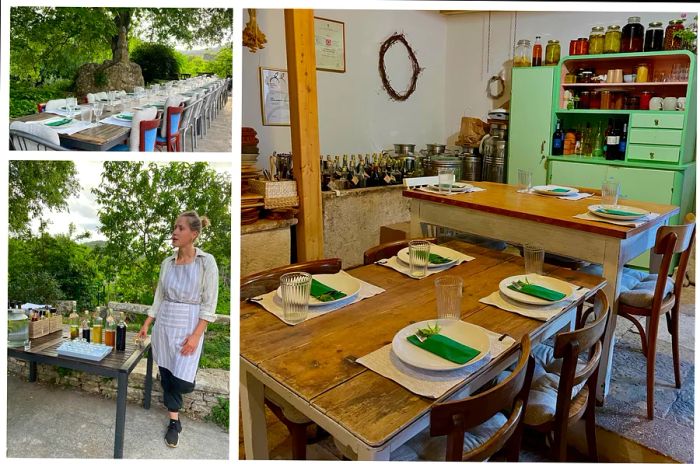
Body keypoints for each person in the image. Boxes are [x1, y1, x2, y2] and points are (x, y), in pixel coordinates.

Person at [138, 211, 218, 448]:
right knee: (167, 372)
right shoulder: (167, 263)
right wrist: (146, 324)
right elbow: (159, 297)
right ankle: (174, 422)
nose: (174, 232)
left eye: (180, 228)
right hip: (164, 323)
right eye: (174, 227)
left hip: (189, 324)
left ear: (193, 234)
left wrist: (195, 336)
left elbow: (209, 303)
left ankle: (174, 409)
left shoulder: (206, 262)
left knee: (182, 380)